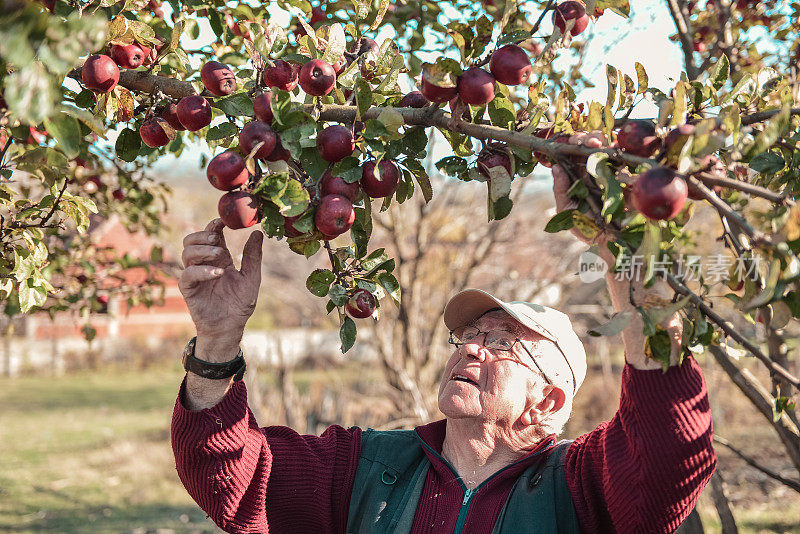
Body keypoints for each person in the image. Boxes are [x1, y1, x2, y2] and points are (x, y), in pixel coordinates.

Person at [171, 139, 716, 533]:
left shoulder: (579, 487)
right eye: (469, 336)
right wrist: (216, 344)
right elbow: (235, 479)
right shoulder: (366, 466)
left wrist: (618, 249)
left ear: (548, 399)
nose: (473, 347)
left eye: (503, 343)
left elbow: (667, 453)